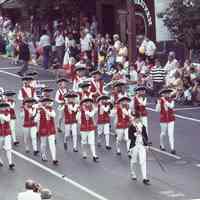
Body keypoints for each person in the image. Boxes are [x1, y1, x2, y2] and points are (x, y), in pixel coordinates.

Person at [36, 98, 58, 165]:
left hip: (50, 128)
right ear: (43, 103)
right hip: (43, 128)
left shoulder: (51, 110)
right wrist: (37, 112)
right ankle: (43, 154)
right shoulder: (40, 111)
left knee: (52, 144)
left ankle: (54, 158)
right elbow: (36, 120)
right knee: (43, 144)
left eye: (48, 102)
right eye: (45, 102)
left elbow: (53, 115)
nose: (47, 103)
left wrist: (45, 109)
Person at [128, 116, 150, 185]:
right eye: (136, 118)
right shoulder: (132, 127)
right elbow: (130, 137)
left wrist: (146, 145)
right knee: (134, 161)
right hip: (134, 146)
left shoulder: (143, 126)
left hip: (141, 145)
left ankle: (144, 178)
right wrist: (136, 133)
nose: (137, 120)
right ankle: (133, 173)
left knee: (143, 161)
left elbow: (145, 136)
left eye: (138, 118)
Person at [77, 98, 99, 162]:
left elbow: (91, 114)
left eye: (89, 102)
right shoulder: (80, 110)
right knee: (84, 142)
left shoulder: (92, 109)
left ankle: (94, 155)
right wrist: (80, 122)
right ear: (84, 103)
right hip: (83, 129)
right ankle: (84, 152)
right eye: (87, 102)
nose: (88, 104)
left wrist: (87, 111)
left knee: (92, 142)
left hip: (91, 127)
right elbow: (77, 118)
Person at [156, 89, 176, 154]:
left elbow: (171, 106)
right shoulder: (160, 101)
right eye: (166, 93)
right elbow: (157, 110)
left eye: (168, 93)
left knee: (171, 134)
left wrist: (164, 101)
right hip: (163, 119)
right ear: (163, 94)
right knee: (163, 133)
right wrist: (158, 103)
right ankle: (161, 144)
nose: (167, 94)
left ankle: (172, 148)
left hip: (171, 118)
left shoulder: (171, 100)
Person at [0, 102, 15, 170]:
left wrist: (2, 115)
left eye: (4, 107)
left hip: (7, 132)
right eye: (2, 107)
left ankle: (10, 163)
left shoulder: (7, 113)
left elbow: (8, 119)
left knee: (8, 148)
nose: (3, 108)